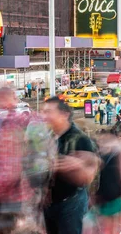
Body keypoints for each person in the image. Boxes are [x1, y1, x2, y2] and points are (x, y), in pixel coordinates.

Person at [42, 97, 98, 234]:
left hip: (71, 202)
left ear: (64, 114)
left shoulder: (80, 139)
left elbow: (91, 176)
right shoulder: (48, 136)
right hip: (50, 203)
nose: (45, 116)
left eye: (49, 112)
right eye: (44, 112)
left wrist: (76, 166)